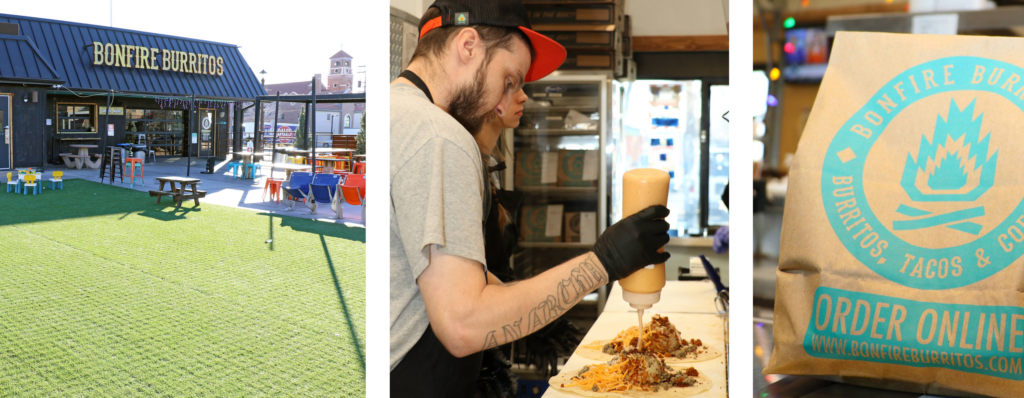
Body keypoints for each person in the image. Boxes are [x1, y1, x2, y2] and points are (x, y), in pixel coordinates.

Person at [390, 1, 672, 395]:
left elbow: (468, 286)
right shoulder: (440, 137)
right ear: (468, 45)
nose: (505, 100)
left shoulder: (395, 114)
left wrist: (548, 312)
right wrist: (603, 263)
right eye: (509, 79)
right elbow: (463, 323)